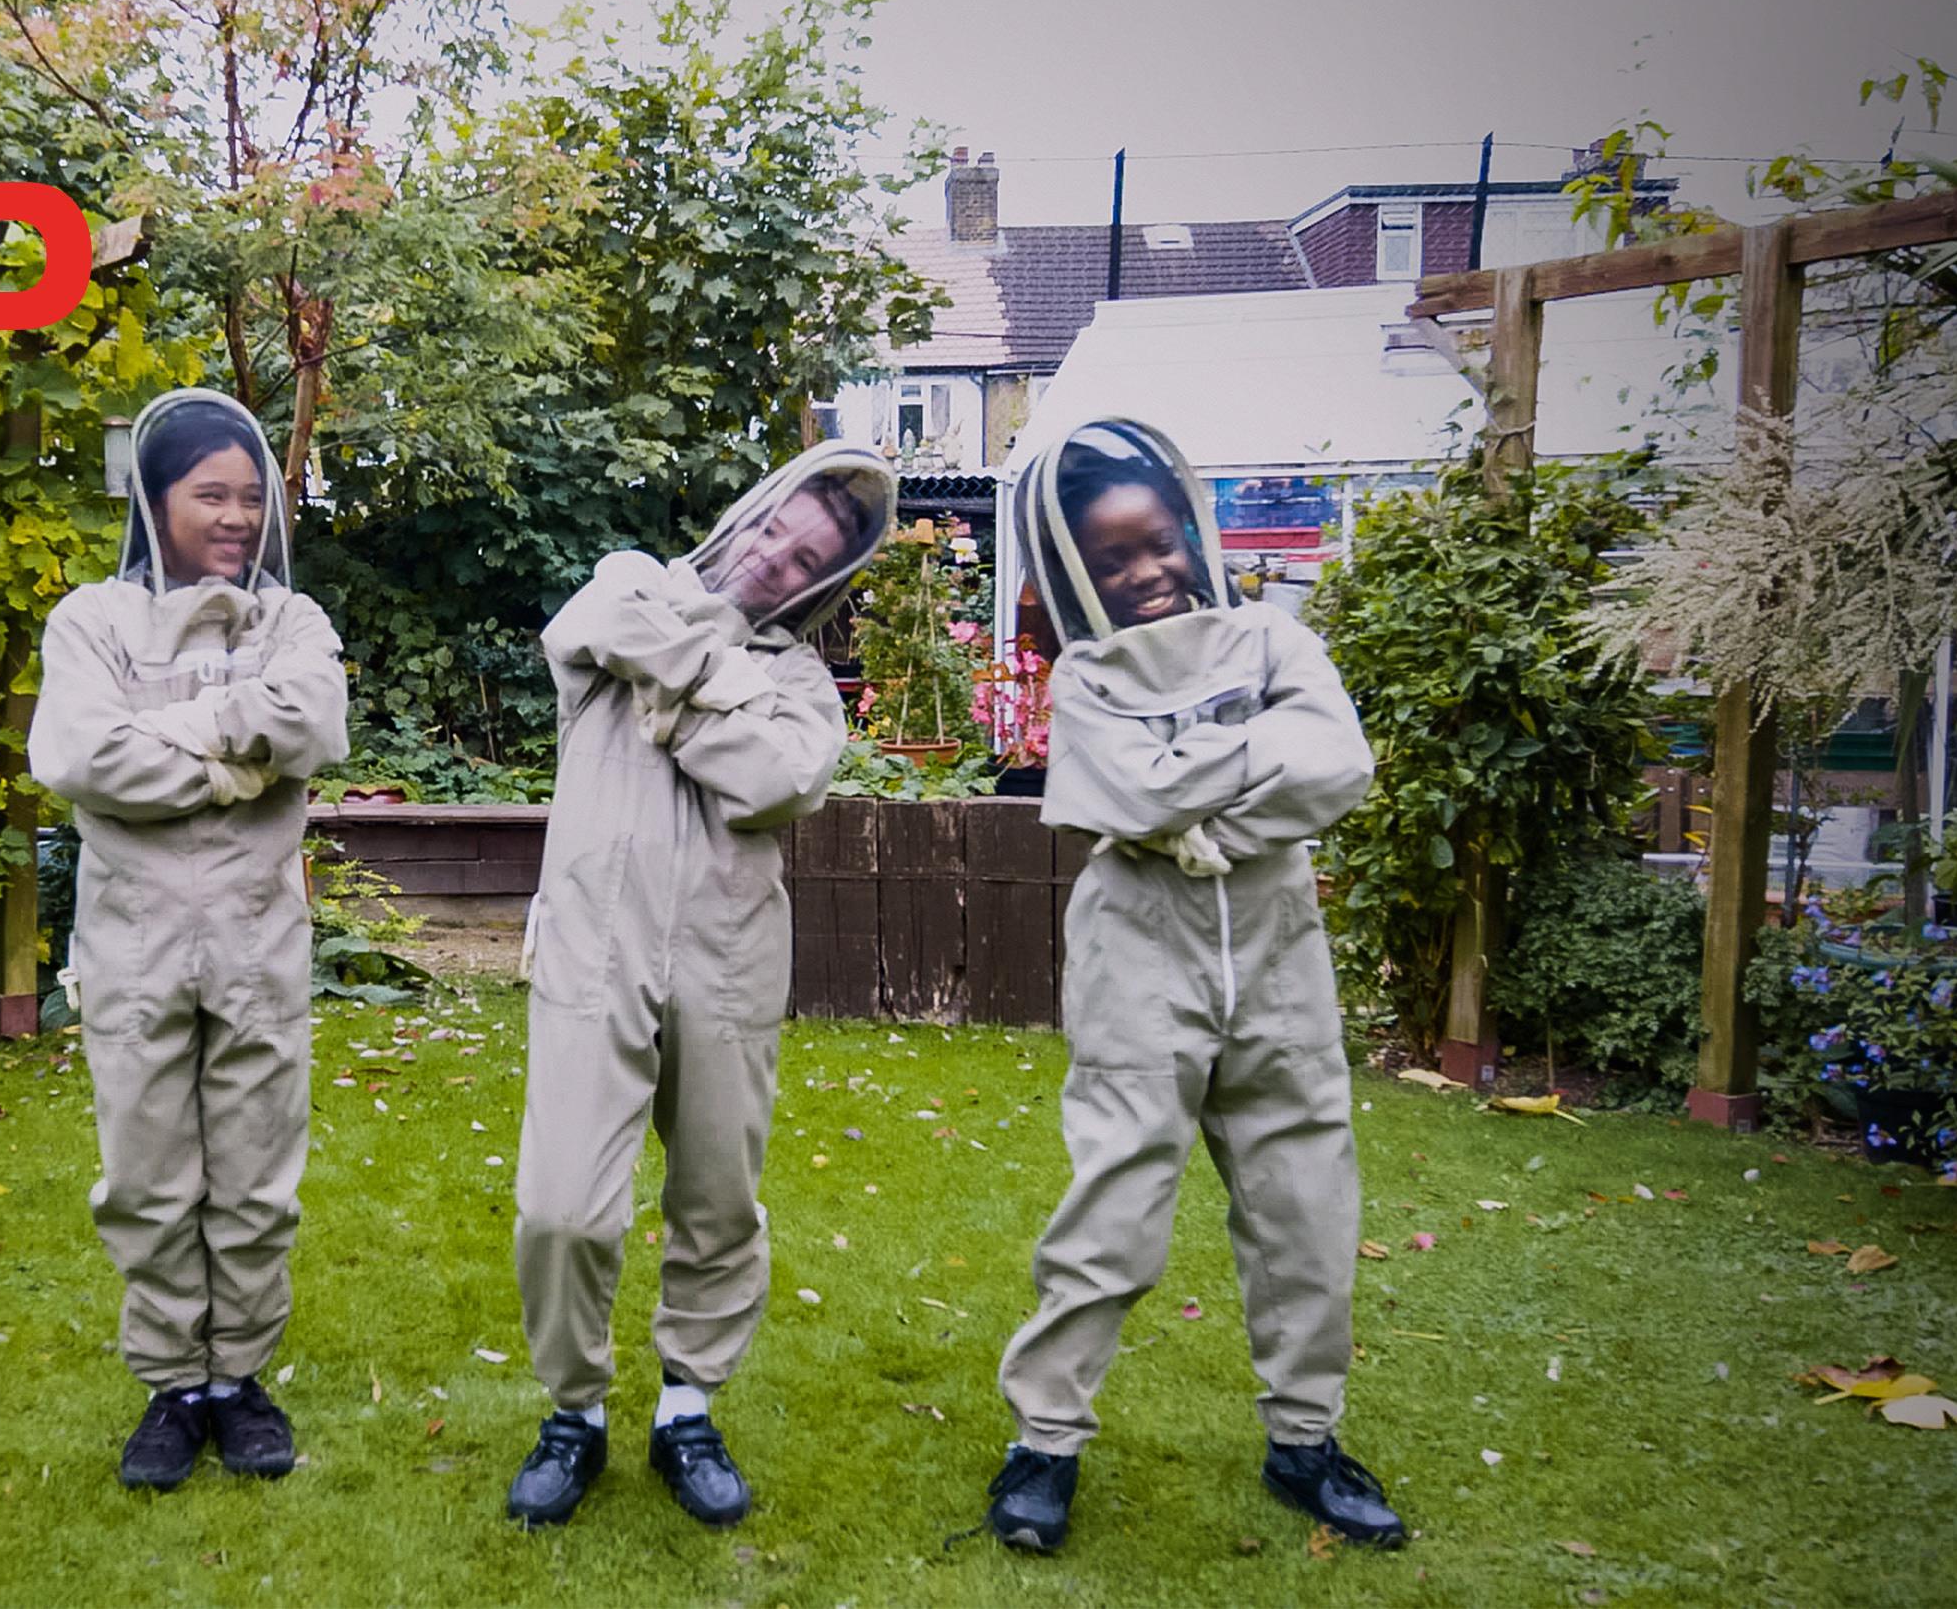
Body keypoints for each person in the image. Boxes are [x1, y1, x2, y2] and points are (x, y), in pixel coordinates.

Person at [982, 419, 1402, 1553]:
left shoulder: (1274, 638)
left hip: (1278, 956)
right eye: (1112, 558)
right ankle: (1045, 1442)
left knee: (1306, 1209)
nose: (1147, 571)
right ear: (1079, 572)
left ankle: (1305, 1440)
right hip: (1138, 957)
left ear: (1193, 532)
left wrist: (1186, 800)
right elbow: (1123, 799)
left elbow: (1338, 765)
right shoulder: (1087, 677)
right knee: (1112, 1210)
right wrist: (1251, 757)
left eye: (1157, 542)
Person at [503, 444, 896, 1530]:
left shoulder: (802, 682)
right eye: (775, 532)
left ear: (821, 586)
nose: (775, 562)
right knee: (561, 1208)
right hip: (592, 946)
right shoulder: (634, 579)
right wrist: (722, 691)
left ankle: (688, 1408)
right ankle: (575, 1412)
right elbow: (591, 627)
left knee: (718, 1201)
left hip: (730, 959)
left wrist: (672, 693)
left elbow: (779, 779)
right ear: (746, 515)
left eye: (805, 561)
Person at [27, 389, 349, 1492]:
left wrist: (167, 734)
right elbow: (82, 759)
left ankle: (240, 1379)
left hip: (260, 947)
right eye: (212, 494)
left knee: (256, 1176)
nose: (236, 517)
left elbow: (313, 722)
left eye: (252, 498)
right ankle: (174, 1387)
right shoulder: (91, 622)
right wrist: (240, 764)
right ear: (156, 499)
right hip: (133, 950)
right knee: (148, 1177)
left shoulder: (291, 624)